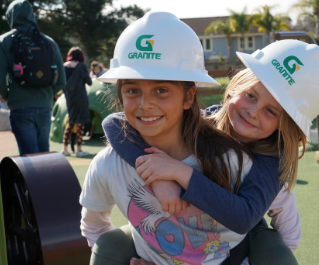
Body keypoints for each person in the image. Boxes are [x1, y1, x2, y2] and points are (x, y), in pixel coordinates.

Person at [101, 39, 319, 265]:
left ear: (287, 125)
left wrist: (180, 173)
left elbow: (250, 220)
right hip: (186, 231)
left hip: (236, 243)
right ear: (235, 87)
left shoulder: (270, 162)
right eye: (251, 95)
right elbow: (114, 122)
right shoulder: (204, 121)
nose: (253, 112)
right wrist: (155, 174)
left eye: (271, 111)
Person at [80, 11, 262, 265]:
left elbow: (279, 213)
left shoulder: (230, 158)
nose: (145, 104)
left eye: (161, 90)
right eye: (133, 90)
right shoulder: (107, 165)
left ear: (189, 97)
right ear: (120, 96)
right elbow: (94, 226)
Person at [0, 0, 66, 155]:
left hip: (20, 106)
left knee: (29, 158)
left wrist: (5, 95)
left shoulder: (3, 41)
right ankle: (46, 180)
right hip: (45, 105)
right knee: (44, 155)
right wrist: (48, 95)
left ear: (11, 16)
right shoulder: (49, 42)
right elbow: (62, 80)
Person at [61, 47, 92, 157]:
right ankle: (79, 150)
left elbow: (61, 83)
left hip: (69, 98)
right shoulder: (81, 66)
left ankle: (64, 149)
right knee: (80, 123)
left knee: (70, 121)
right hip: (81, 97)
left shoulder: (64, 66)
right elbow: (89, 82)